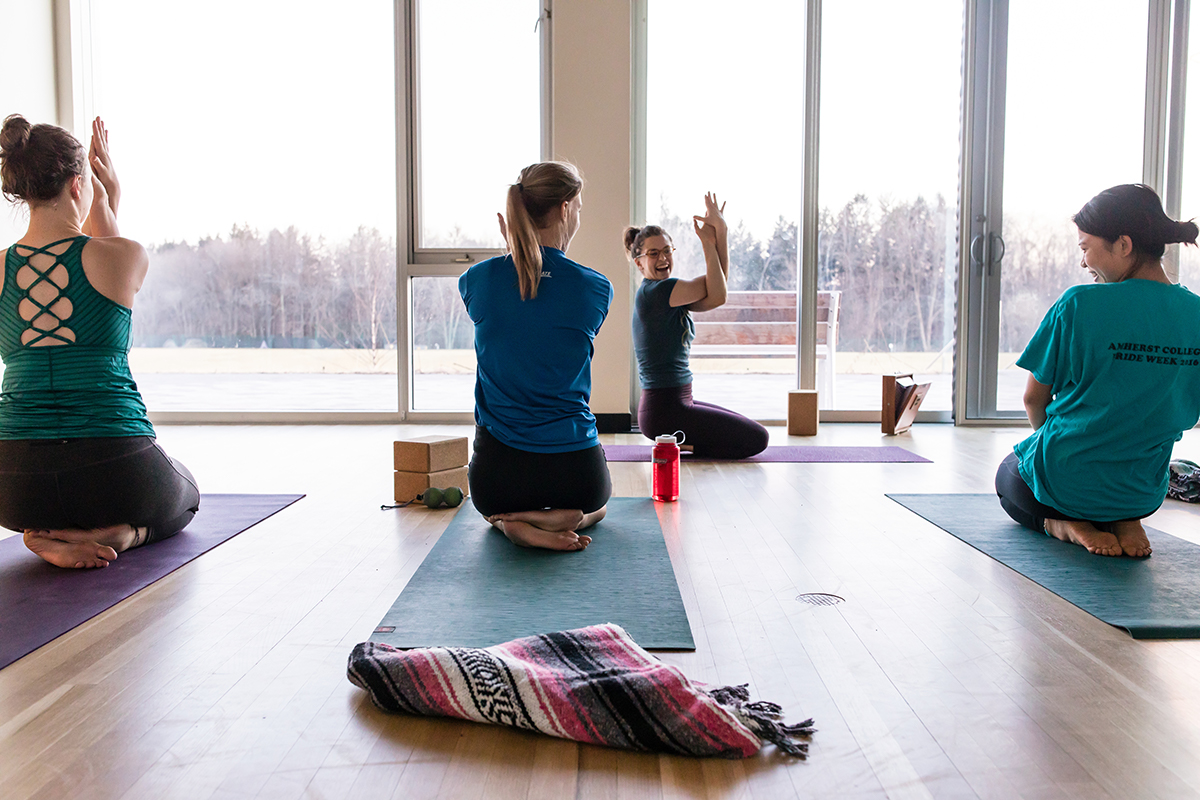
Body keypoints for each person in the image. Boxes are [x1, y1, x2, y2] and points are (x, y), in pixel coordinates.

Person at [0, 115, 200, 569]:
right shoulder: (124, 256)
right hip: (113, 470)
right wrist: (111, 196)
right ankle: (125, 534)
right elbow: (99, 258)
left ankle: (40, 532)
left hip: (12, 486)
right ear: (78, 185)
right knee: (186, 495)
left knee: (42, 498)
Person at [995, 183, 1200, 557]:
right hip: (1142, 490)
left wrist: (1067, 454)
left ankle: (1064, 523)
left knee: (1009, 476)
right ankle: (1125, 519)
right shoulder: (1197, 314)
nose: (1083, 261)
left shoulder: (1077, 304)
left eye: (1085, 248)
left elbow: (1032, 399)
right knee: (1115, 479)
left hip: (1065, 481)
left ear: (1123, 245)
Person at [459, 161, 612, 552]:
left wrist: (513, 244)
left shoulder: (476, 279)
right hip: (577, 474)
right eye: (578, 208)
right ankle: (564, 518)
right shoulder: (595, 288)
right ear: (564, 208)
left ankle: (511, 523)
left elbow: (515, 303)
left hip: (497, 481)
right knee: (600, 507)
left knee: (494, 507)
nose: (577, 216)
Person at [627, 195, 769, 459]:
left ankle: (678, 443)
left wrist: (721, 233)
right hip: (665, 410)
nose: (663, 258)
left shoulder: (668, 294)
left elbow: (718, 288)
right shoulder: (659, 292)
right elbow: (720, 292)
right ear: (639, 262)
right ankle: (676, 445)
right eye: (653, 253)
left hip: (674, 404)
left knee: (747, 428)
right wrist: (708, 242)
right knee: (757, 438)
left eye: (667, 250)